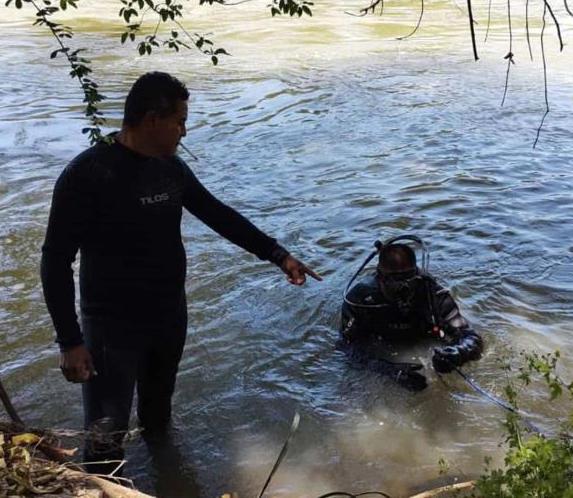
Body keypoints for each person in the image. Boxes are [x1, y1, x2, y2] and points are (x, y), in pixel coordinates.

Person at [40, 71, 321, 474]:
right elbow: (54, 260)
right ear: (153, 119)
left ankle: (170, 480)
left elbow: (217, 213)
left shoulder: (170, 169)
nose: (184, 132)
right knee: (104, 437)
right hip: (111, 327)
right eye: (180, 121)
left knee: (158, 420)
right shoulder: (89, 174)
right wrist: (70, 340)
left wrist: (277, 254)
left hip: (169, 316)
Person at [339, 236, 483, 391]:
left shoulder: (432, 294)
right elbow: (347, 347)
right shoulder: (359, 299)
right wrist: (389, 370)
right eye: (396, 280)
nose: (404, 287)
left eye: (409, 278)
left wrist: (457, 353)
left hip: (422, 335)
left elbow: (471, 338)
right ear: (380, 278)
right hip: (381, 343)